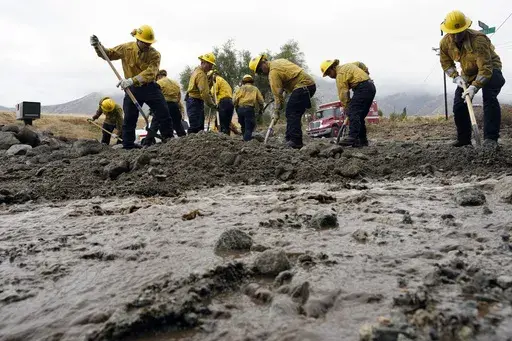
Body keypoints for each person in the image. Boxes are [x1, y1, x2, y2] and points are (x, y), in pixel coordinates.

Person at [90, 25, 173, 149]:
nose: (147, 45)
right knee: (129, 118)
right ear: (137, 40)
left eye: (149, 43)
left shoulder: (155, 54)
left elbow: (151, 72)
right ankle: (128, 145)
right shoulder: (126, 48)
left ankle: (169, 140)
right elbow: (109, 54)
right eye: (145, 42)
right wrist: (98, 46)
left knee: (163, 112)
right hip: (132, 90)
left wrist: (132, 80)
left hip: (150, 88)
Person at [439, 10, 505, 149]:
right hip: (468, 73)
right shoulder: (445, 43)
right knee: (459, 103)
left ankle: (491, 139)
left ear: (465, 28)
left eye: (460, 32)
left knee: (489, 97)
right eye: (453, 33)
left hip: (491, 69)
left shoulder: (478, 40)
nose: (457, 36)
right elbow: (446, 63)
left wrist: (474, 87)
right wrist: (456, 77)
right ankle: (464, 140)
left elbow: (485, 69)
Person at [249, 55, 316, 149]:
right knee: (292, 112)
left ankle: (295, 141)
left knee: (292, 112)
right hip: (308, 85)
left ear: (263, 62)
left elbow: (277, 94)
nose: (262, 73)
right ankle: (289, 139)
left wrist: (276, 111)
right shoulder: (278, 62)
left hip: (303, 86)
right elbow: (289, 76)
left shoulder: (273, 73)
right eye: (259, 72)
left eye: (260, 70)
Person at [320, 59, 376, 147]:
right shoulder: (349, 66)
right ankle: (362, 141)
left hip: (362, 88)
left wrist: (347, 108)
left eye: (329, 73)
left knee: (353, 112)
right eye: (327, 75)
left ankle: (352, 137)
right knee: (359, 116)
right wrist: (366, 73)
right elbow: (360, 64)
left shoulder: (340, 75)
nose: (329, 76)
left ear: (333, 67)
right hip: (370, 87)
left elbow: (343, 94)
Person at [186, 53, 217, 134]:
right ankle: (192, 144)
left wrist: (208, 79)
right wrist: (212, 104)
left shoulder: (197, 71)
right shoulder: (201, 75)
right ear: (203, 62)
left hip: (192, 101)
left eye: (212, 65)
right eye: (209, 64)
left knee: (196, 126)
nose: (211, 67)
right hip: (195, 102)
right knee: (196, 127)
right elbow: (205, 93)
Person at [233, 74, 264, 141]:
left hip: (240, 109)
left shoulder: (240, 89)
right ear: (252, 81)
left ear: (243, 81)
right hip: (249, 109)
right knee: (249, 127)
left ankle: (244, 139)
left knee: (243, 126)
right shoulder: (255, 89)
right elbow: (261, 100)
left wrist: (236, 108)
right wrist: (261, 109)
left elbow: (234, 100)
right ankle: (247, 143)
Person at [156, 69, 186, 137]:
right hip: (175, 105)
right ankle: (184, 139)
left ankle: (148, 141)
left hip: (164, 105)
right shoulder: (175, 83)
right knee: (178, 124)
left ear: (159, 76)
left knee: (156, 124)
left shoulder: (159, 82)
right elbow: (179, 97)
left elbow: (156, 96)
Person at [208, 70, 234, 135]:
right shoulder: (224, 81)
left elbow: (213, 92)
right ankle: (227, 139)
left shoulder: (216, 79)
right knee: (227, 123)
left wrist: (209, 94)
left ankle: (223, 138)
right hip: (230, 103)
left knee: (221, 123)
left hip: (223, 102)